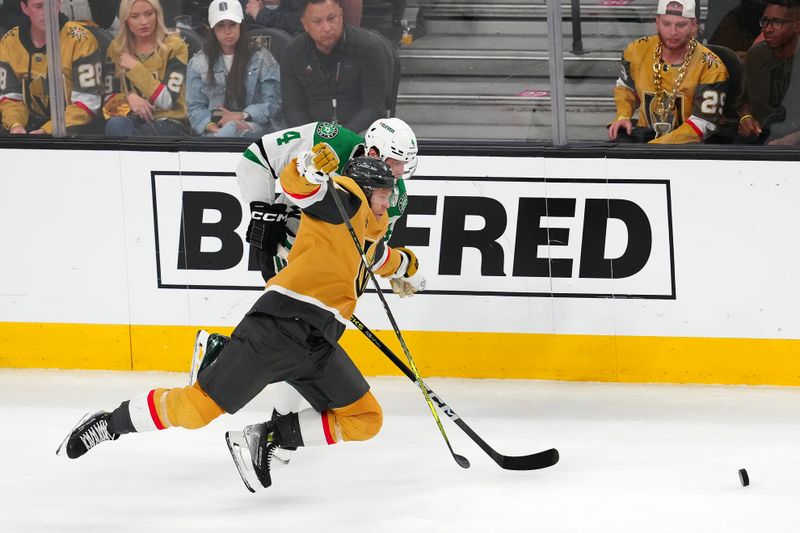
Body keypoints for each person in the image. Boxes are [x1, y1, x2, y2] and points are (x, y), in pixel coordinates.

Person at [57, 151, 426, 493]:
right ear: (366, 190)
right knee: (197, 410)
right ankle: (109, 423)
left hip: (318, 344)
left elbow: (383, 258)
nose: (387, 204)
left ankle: (269, 436)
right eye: (384, 194)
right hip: (278, 328)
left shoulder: (361, 236)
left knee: (365, 419)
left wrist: (410, 269)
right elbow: (302, 186)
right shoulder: (346, 199)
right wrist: (307, 167)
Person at [237, 117, 418, 284]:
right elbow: (257, 156)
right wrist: (264, 215)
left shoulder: (394, 199)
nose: (401, 171)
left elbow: (368, 251)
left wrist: (399, 267)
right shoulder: (328, 139)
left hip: (328, 272)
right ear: (373, 153)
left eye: (405, 162)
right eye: (395, 162)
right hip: (284, 245)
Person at [607, 0, 730, 144]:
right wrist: (623, 115)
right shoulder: (636, 50)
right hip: (644, 137)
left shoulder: (712, 66)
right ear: (657, 22)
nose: (673, 32)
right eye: (666, 24)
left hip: (688, 149)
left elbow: (702, 123)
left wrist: (654, 148)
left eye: (681, 25)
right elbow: (626, 87)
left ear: (694, 26)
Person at [280, 0, 390, 133]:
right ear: (305, 24)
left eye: (331, 18)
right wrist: (313, 136)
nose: (327, 28)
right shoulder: (293, 52)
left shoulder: (368, 48)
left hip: (360, 134)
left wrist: (342, 137)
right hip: (312, 137)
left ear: (341, 15)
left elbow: (374, 107)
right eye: (317, 21)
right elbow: (292, 108)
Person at [0, 0, 103, 135]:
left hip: (73, 128)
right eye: (38, 6)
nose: (46, 13)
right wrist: (15, 125)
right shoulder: (9, 42)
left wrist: (46, 130)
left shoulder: (81, 40)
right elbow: (10, 97)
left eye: (51, 5)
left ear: (59, 4)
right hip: (28, 124)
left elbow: (87, 103)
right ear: (24, 8)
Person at [186, 0, 282, 137]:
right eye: (220, 26)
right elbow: (195, 107)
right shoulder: (198, 63)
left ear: (241, 25)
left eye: (233, 25)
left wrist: (242, 116)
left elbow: (273, 102)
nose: (227, 31)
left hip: (255, 125)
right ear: (212, 29)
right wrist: (213, 128)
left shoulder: (261, 58)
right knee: (226, 131)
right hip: (214, 129)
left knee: (234, 128)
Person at [101, 0, 189, 137]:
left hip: (168, 120)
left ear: (157, 14)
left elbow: (168, 101)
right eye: (135, 17)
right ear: (126, 20)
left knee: (138, 137)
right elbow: (108, 101)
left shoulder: (174, 46)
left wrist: (135, 68)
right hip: (131, 117)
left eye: (149, 14)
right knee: (115, 125)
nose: (144, 22)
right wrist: (129, 98)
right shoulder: (117, 48)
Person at [736, 0, 800, 145]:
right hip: (760, 136)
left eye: (777, 22)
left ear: (797, 26)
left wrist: (794, 139)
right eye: (765, 21)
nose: (767, 29)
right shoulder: (757, 54)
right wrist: (745, 118)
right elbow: (743, 101)